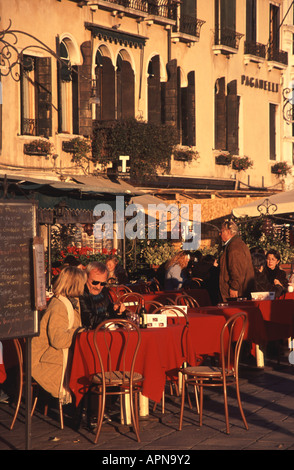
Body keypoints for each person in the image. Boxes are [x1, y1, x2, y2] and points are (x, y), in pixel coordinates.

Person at [32, 266, 86, 403]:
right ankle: (85, 410)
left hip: (54, 355)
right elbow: (59, 340)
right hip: (46, 361)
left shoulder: (69, 302)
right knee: (89, 369)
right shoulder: (59, 307)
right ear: (75, 284)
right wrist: (79, 332)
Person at [80, 261, 126, 329]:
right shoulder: (81, 293)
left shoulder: (104, 291)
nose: (98, 287)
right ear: (86, 277)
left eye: (103, 283)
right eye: (95, 282)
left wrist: (118, 312)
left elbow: (109, 309)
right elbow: (89, 320)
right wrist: (112, 319)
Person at [219, 220, 255, 301]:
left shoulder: (234, 246)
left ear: (228, 232)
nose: (220, 234)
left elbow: (235, 268)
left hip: (236, 293)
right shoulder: (237, 244)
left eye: (221, 231)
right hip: (241, 290)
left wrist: (234, 287)